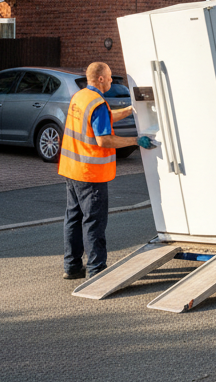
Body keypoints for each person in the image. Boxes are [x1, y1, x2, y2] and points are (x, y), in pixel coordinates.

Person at [58, 62, 150, 280]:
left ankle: (72, 267)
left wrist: (129, 110)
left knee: (73, 218)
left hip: (72, 169)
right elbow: (104, 139)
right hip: (91, 173)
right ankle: (96, 269)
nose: (111, 80)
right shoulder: (97, 103)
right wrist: (136, 140)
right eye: (109, 77)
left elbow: (103, 117)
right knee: (94, 221)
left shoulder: (80, 97)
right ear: (100, 78)